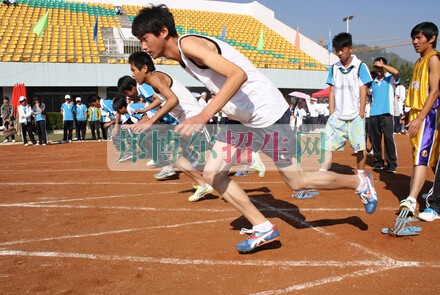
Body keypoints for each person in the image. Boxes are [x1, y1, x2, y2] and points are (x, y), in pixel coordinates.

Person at [132, 5, 378, 253]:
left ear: (163, 31)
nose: (143, 46)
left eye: (144, 39)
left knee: (299, 182)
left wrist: (205, 114)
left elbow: (237, 75)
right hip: (242, 119)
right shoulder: (183, 59)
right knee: (213, 173)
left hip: (267, 114)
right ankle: (263, 228)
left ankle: (358, 183)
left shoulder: (189, 46)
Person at [123, 51, 215, 201]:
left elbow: (173, 100)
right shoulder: (155, 80)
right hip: (187, 119)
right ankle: (202, 183)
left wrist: (151, 121)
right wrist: (146, 113)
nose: (133, 74)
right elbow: (162, 100)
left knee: (214, 151)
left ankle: (247, 157)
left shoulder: (154, 78)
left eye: (133, 70)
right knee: (173, 153)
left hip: (193, 117)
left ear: (144, 68)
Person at [399, 22, 440, 218]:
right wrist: (409, 113)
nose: (415, 42)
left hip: (428, 116)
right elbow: (418, 89)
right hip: (417, 113)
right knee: (425, 157)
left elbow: (434, 92)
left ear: (431, 39)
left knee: (421, 158)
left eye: (419, 38)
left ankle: (412, 198)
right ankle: (423, 195)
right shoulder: (419, 61)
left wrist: (421, 117)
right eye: (413, 38)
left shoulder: (433, 59)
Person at [320, 32, 372, 176]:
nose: (340, 53)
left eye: (342, 49)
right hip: (337, 116)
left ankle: (361, 175)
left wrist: (361, 113)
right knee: (326, 145)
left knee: (360, 148)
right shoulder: (333, 68)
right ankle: (322, 172)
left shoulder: (360, 66)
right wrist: (331, 112)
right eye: (337, 50)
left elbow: (363, 90)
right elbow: (332, 91)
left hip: (355, 115)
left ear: (351, 48)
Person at [116, 75, 178, 178]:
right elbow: (147, 114)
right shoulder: (143, 93)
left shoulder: (142, 87)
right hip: (167, 119)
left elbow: (159, 99)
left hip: (171, 119)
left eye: (126, 93)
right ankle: (164, 163)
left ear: (133, 87)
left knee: (147, 138)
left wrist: (145, 111)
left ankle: (166, 166)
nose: (127, 96)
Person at [368, 57, 399, 173]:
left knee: (388, 139)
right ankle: (378, 162)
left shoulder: (390, 79)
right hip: (374, 113)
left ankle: (392, 163)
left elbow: (396, 72)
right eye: (376, 67)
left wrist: (383, 65)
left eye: (380, 67)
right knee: (375, 140)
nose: (378, 69)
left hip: (387, 113)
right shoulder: (373, 82)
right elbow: (368, 93)